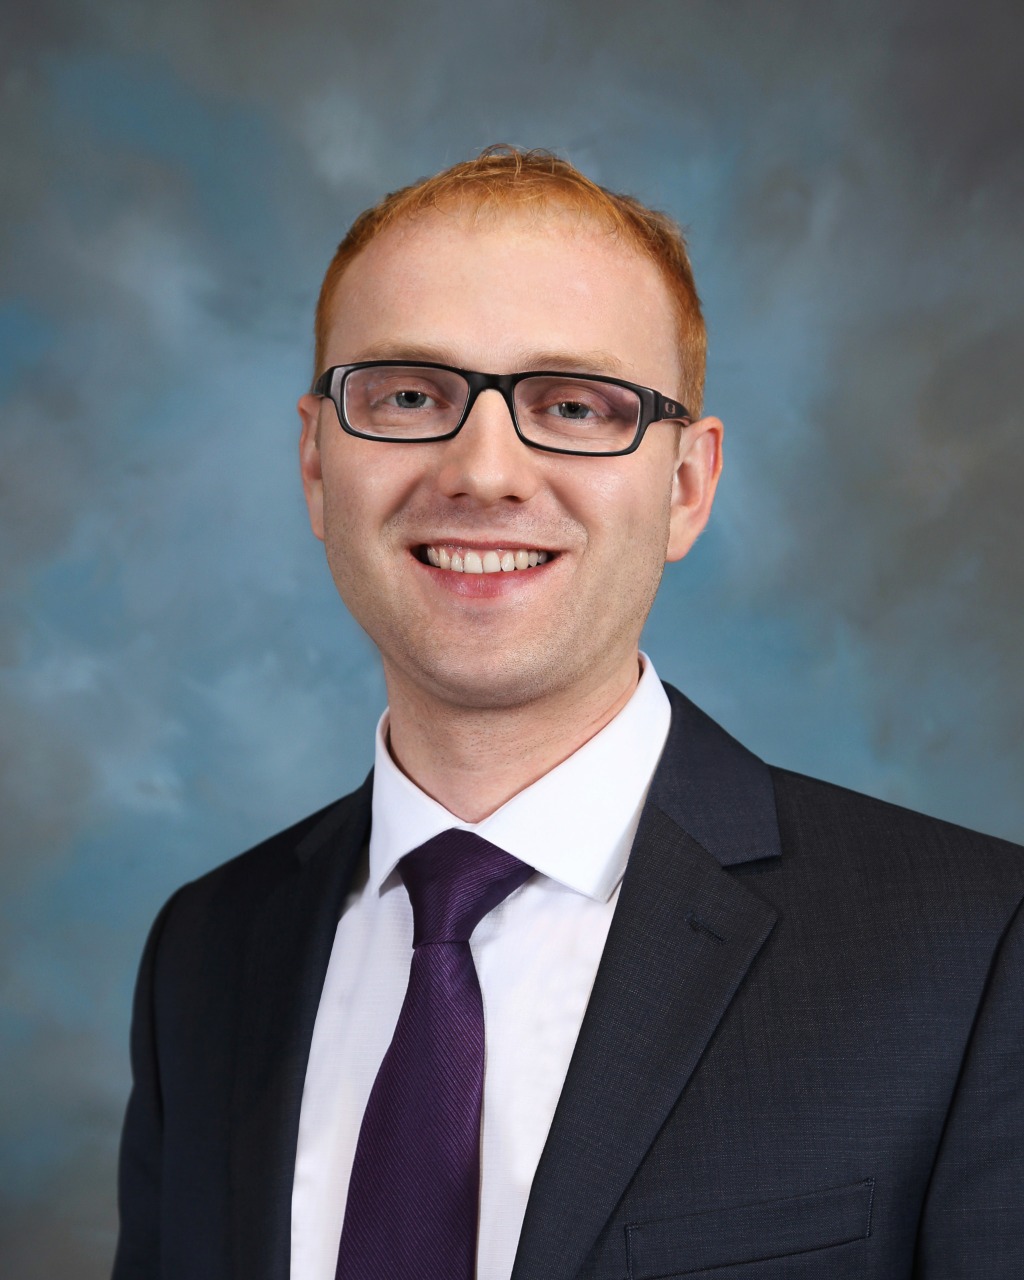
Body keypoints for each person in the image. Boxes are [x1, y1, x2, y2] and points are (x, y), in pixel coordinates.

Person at [112, 147, 1024, 1280]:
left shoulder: (977, 948)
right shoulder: (205, 952)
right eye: (410, 395)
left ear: (686, 485)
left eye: (575, 405)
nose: (484, 471)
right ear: (315, 463)